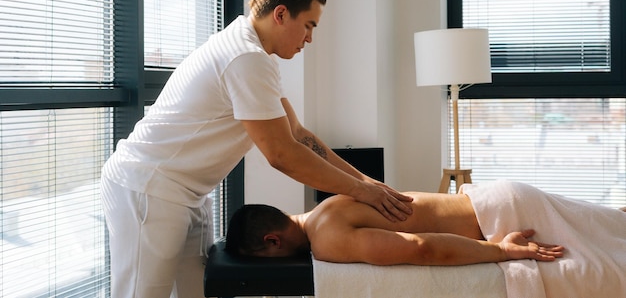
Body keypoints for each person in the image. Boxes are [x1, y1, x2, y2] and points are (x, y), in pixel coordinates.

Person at [100, 0, 413, 298]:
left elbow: (298, 134)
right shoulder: (245, 57)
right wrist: (362, 192)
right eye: (309, 25)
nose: (310, 38)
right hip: (149, 187)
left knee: (196, 291)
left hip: (187, 193)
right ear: (281, 14)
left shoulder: (257, 55)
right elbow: (281, 155)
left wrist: (366, 182)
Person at [226, 180, 625, 267]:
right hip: (499, 196)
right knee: (613, 225)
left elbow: (421, 248)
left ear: (273, 241)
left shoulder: (326, 239)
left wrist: (500, 250)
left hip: (501, 217)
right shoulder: (330, 205)